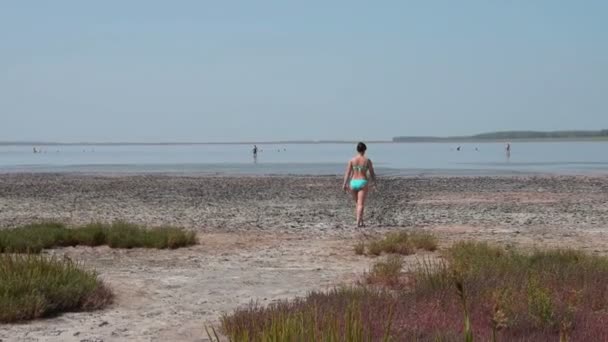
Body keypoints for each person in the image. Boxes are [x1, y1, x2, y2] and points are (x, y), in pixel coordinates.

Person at [342, 142, 376, 227]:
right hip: (362, 182)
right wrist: (374, 183)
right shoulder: (367, 160)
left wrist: (344, 183)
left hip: (353, 182)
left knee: (357, 203)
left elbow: (347, 173)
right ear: (364, 150)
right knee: (361, 204)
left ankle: (361, 221)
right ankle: (358, 222)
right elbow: (372, 173)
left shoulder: (352, 160)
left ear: (357, 150)